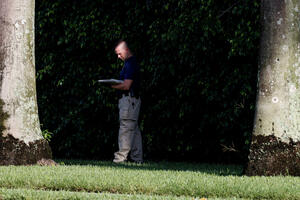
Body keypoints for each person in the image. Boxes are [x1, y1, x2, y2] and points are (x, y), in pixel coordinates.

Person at [111, 40, 143, 164]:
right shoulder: (131, 63)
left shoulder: (130, 64)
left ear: (126, 50)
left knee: (126, 127)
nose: (118, 57)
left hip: (129, 100)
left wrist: (111, 85)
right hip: (133, 101)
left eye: (119, 54)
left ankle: (120, 158)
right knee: (133, 129)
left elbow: (126, 85)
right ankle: (137, 159)